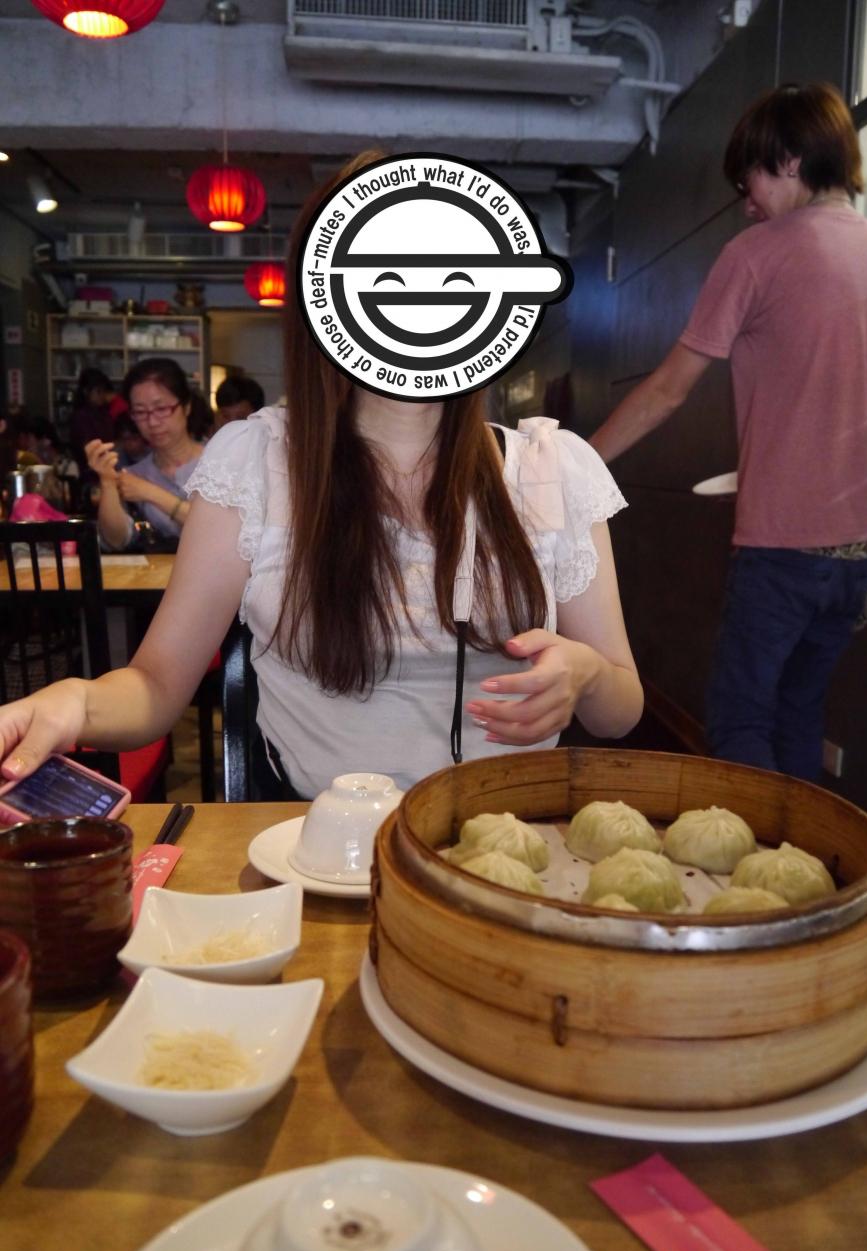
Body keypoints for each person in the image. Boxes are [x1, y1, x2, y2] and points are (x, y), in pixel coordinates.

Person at [0, 158, 642, 799]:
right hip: (315, 835)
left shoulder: (552, 468)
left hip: (504, 835)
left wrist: (587, 675)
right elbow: (157, 685)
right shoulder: (254, 462)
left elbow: (621, 708)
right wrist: (75, 702)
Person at [589, 82, 867, 782]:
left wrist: (576, 463)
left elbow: (667, 389)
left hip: (782, 552)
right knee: (799, 714)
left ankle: (752, 858)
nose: (746, 201)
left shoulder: (757, 254)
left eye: (750, 180)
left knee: (739, 723)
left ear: (792, 160)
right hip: (863, 554)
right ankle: (799, 852)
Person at [84, 358, 205, 550]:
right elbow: (116, 540)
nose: (152, 422)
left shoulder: (221, 461)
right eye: (140, 412)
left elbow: (222, 530)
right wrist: (107, 483)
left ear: (186, 406)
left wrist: (150, 492)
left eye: (161, 409)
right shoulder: (134, 475)